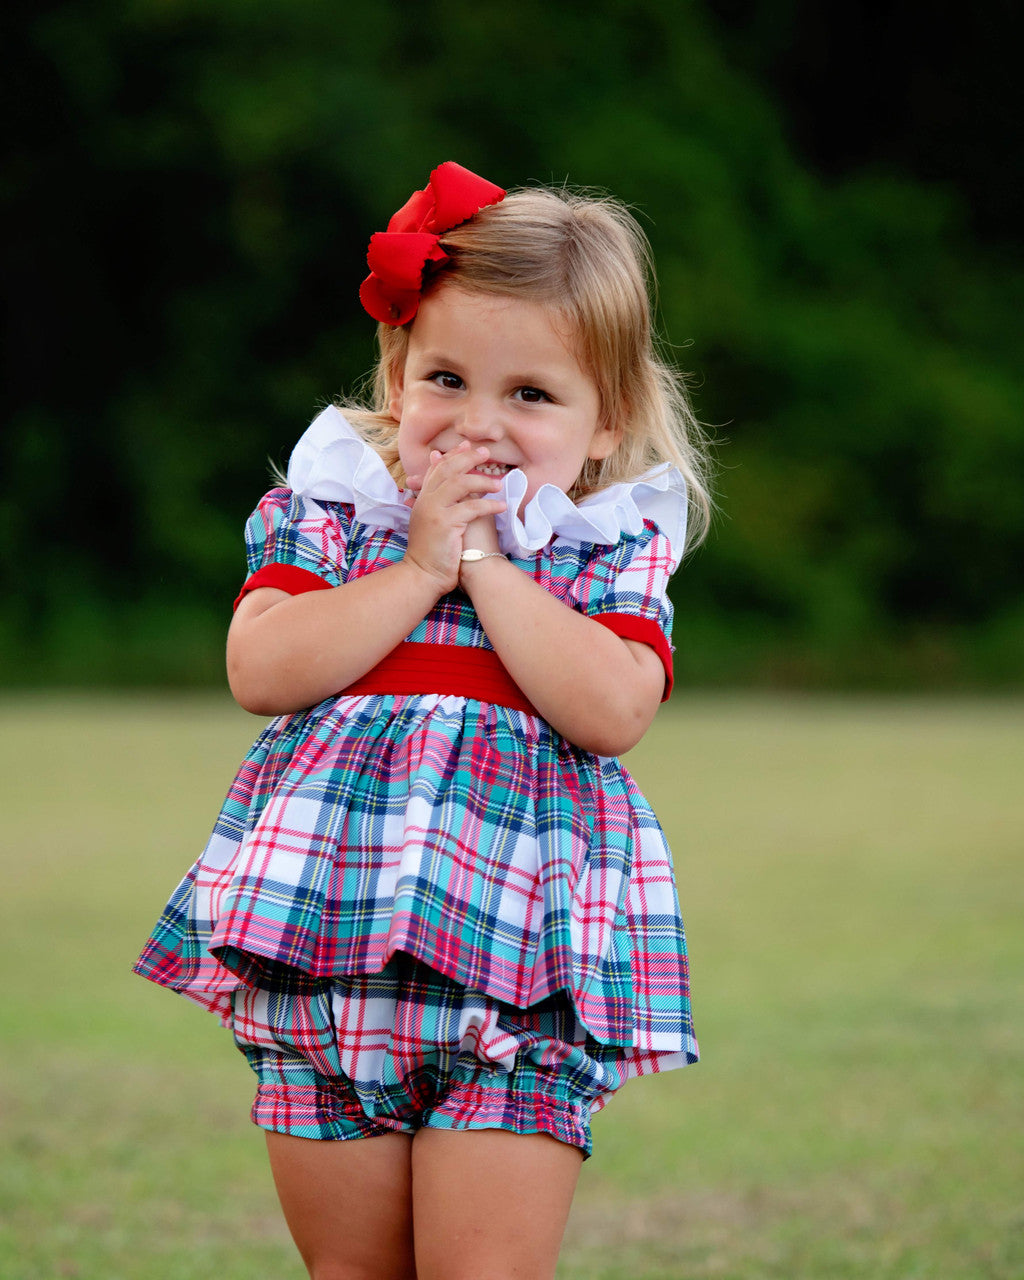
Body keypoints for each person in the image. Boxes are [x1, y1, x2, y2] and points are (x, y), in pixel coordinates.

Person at [134, 160, 712, 1280]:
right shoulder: (335, 510)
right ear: (398, 376)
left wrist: (488, 565)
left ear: (607, 423)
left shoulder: (603, 543)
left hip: (521, 972)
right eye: (447, 378)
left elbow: (612, 707)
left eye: (531, 395)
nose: (478, 428)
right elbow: (262, 665)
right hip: (323, 957)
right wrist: (415, 565)